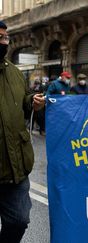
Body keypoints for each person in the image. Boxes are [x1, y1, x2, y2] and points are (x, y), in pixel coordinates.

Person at [0, 20, 45, 243]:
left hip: (15, 165)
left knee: (18, 220)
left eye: (5, 38)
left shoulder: (15, 73)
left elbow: (24, 100)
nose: (4, 42)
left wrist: (32, 101)